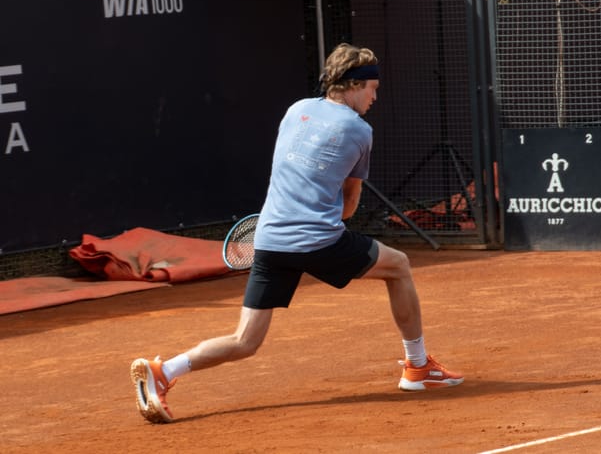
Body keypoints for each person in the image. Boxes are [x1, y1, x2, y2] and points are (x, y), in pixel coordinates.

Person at [130, 43, 463, 424]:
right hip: (317, 240)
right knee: (399, 265)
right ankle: (418, 368)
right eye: (373, 88)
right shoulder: (359, 130)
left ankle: (163, 372)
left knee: (245, 341)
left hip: (270, 239)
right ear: (354, 85)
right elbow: (349, 204)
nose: (375, 97)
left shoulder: (296, 110)